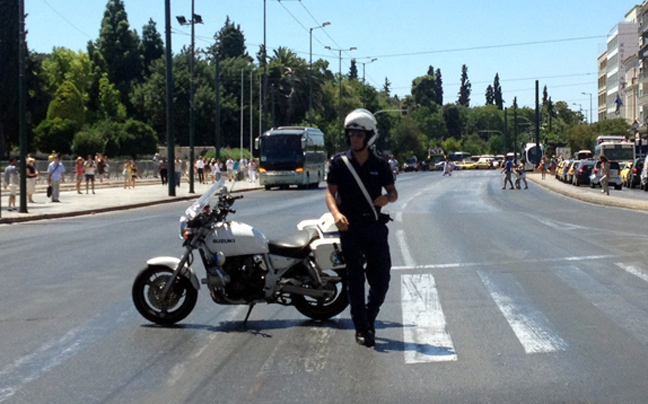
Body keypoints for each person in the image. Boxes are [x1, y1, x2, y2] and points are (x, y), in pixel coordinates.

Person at [325, 109, 398, 348]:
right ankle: (361, 328)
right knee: (354, 279)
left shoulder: (380, 164)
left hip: (374, 226)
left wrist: (387, 199)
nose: (354, 138)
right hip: (351, 228)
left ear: (369, 137)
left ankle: (369, 315)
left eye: (359, 134)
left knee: (382, 279)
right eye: (351, 133)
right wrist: (336, 214)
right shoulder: (339, 163)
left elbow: (393, 192)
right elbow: (330, 193)